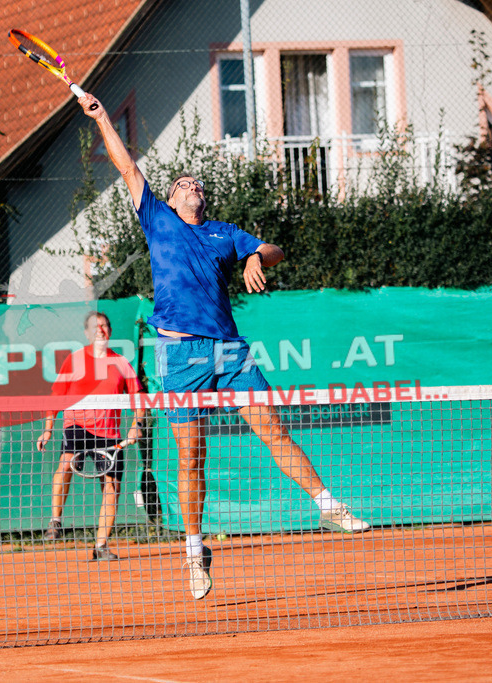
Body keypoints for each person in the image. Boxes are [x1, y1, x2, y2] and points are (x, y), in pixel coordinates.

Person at [77, 92, 370, 599]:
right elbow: (126, 168)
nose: (190, 185)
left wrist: (258, 255)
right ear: (169, 201)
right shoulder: (157, 219)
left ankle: (328, 506)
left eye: (196, 183)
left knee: (273, 430)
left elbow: (276, 248)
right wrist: (102, 119)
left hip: (230, 350)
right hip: (179, 355)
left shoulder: (223, 233)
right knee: (191, 457)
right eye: (180, 184)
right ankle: (194, 554)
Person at [36, 311, 147, 561]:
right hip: (77, 424)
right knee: (65, 463)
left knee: (112, 487)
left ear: (110, 331)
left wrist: (137, 423)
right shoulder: (73, 361)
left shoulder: (121, 363)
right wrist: (48, 429)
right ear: (86, 333)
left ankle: (101, 546)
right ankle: (55, 522)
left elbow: (138, 398)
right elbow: (56, 397)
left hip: (110, 434)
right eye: (95, 327)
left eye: (105, 325)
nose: (101, 330)